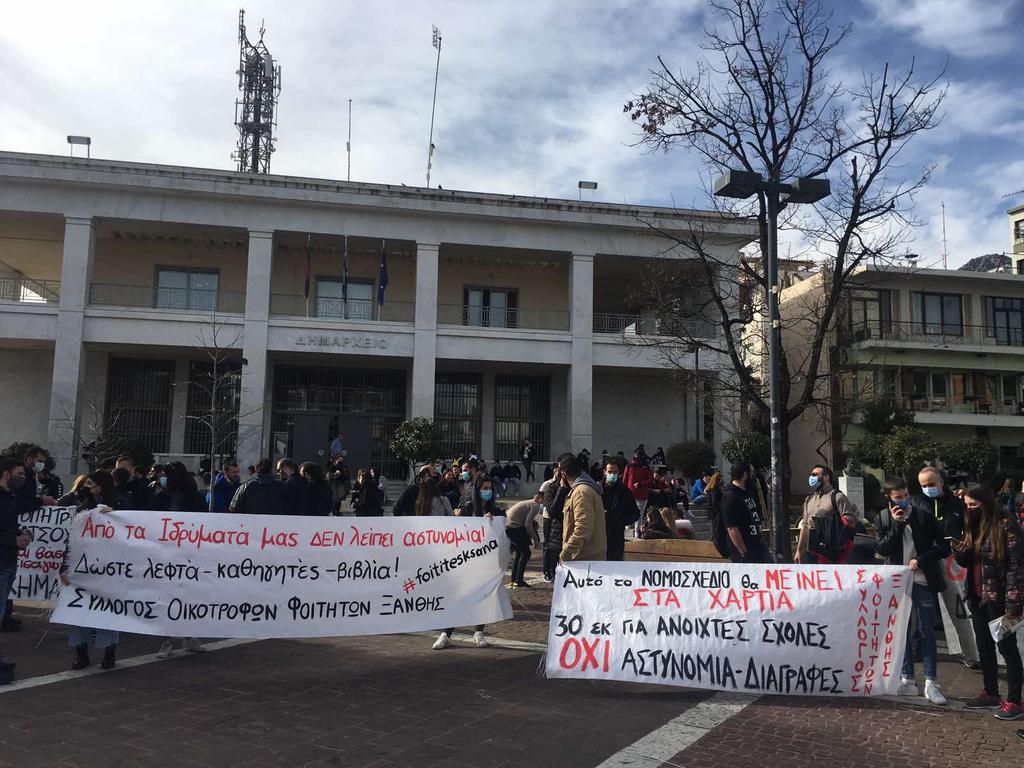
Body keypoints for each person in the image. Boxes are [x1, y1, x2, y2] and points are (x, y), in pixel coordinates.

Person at [952, 484, 1024, 720]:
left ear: (986, 503)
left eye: (974, 505)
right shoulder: (973, 525)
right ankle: (990, 692)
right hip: (976, 595)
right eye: (967, 505)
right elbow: (966, 562)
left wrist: (1013, 604)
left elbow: (1016, 567)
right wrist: (958, 548)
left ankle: (1014, 700)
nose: (970, 509)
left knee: (1007, 648)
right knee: (984, 645)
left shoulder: (1006, 524)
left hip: (998, 598)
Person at [875, 477, 949, 705]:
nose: (904, 501)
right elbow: (882, 549)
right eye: (898, 497)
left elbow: (944, 546)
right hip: (898, 581)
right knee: (902, 630)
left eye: (906, 495)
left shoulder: (923, 515)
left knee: (926, 629)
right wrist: (897, 525)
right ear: (889, 497)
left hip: (922, 579)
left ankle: (931, 681)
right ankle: (907, 678)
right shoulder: (883, 518)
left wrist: (921, 559)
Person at [59, 472, 120, 670]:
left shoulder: (120, 504)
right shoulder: (79, 506)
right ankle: (81, 652)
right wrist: (64, 568)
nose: (86, 487)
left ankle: (109, 651)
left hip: (107, 568)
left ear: (101, 486)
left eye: (90, 483)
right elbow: (68, 538)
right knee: (76, 610)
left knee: (106, 611)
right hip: (79, 566)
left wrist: (114, 514)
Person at [794, 464, 859, 564]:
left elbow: (850, 522)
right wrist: (799, 551)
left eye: (815, 474)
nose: (812, 477)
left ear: (826, 477)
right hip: (811, 549)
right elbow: (805, 527)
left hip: (832, 550)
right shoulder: (809, 500)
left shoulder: (838, 497)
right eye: (811, 475)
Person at [1, 459, 33, 640]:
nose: (23, 478)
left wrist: (21, 532)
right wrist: (14, 539)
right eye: (19, 474)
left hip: (9, 561)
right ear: (6, 474)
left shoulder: (10, 498)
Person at [559, 453, 607, 563]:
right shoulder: (588, 489)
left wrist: (567, 550)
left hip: (584, 560)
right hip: (590, 558)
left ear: (563, 473)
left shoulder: (580, 492)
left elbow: (583, 527)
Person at [720, 462, 769, 563]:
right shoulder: (730, 496)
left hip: (757, 544)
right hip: (745, 550)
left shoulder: (747, 492)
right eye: (751, 473)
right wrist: (743, 552)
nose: (753, 477)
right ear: (745, 475)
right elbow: (732, 528)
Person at [602, 457, 640, 561]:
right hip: (598, 536)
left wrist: (619, 520)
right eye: (609, 472)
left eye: (615, 472)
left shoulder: (624, 491)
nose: (612, 475)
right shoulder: (597, 490)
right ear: (604, 472)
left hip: (616, 536)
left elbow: (635, 514)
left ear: (619, 473)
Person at [914, 467, 965, 541]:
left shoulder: (956, 503)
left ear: (941, 482)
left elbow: (967, 528)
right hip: (928, 551)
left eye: (931, 485)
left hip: (952, 550)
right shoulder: (916, 504)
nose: (928, 488)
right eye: (924, 486)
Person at [505, 493, 542, 588]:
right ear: (541, 499)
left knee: (519, 553)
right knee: (525, 553)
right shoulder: (535, 505)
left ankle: (514, 580)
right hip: (514, 528)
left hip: (508, 527)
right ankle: (518, 580)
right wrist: (536, 539)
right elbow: (527, 524)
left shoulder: (527, 503)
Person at [540, 468, 567, 583]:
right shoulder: (549, 488)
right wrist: (561, 489)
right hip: (551, 522)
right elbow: (552, 511)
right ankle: (548, 571)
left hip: (566, 525)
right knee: (549, 547)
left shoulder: (573, 490)